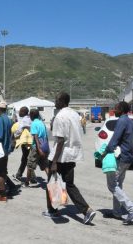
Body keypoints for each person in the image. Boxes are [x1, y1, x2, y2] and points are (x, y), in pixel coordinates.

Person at [43, 92, 96, 225]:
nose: (55, 101)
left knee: (52, 183)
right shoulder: (74, 114)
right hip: (72, 155)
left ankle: (52, 211)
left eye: (56, 99)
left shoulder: (60, 116)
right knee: (69, 184)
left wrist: (54, 161)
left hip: (60, 156)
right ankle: (87, 210)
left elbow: (60, 140)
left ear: (62, 101)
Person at [101, 101, 133, 224]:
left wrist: (105, 152)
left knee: (112, 185)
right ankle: (117, 212)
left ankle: (131, 208)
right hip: (128, 157)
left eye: (116, 108)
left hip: (120, 157)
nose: (114, 110)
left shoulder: (122, 121)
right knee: (118, 184)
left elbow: (115, 139)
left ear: (122, 110)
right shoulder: (130, 122)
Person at [25, 109, 50, 187]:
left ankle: (26, 183)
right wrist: (46, 147)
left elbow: (35, 137)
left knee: (30, 165)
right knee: (45, 165)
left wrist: (39, 149)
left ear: (32, 115)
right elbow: (46, 136)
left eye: (30, 115)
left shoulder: (34, 124)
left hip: (37, 147)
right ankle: (51, 181)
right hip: (45, 146)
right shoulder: (41, 123)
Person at [12, 106, 34, 183]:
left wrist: (14, 136)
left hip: (26, 142)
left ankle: (19, 175)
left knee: (25, 159)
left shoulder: (24, 120)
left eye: (20, 111)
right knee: (30, 159)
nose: (19, 113)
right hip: (32, 141)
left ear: (24, 112)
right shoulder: (30, 119)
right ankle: (32, 177)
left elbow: (19, 130)